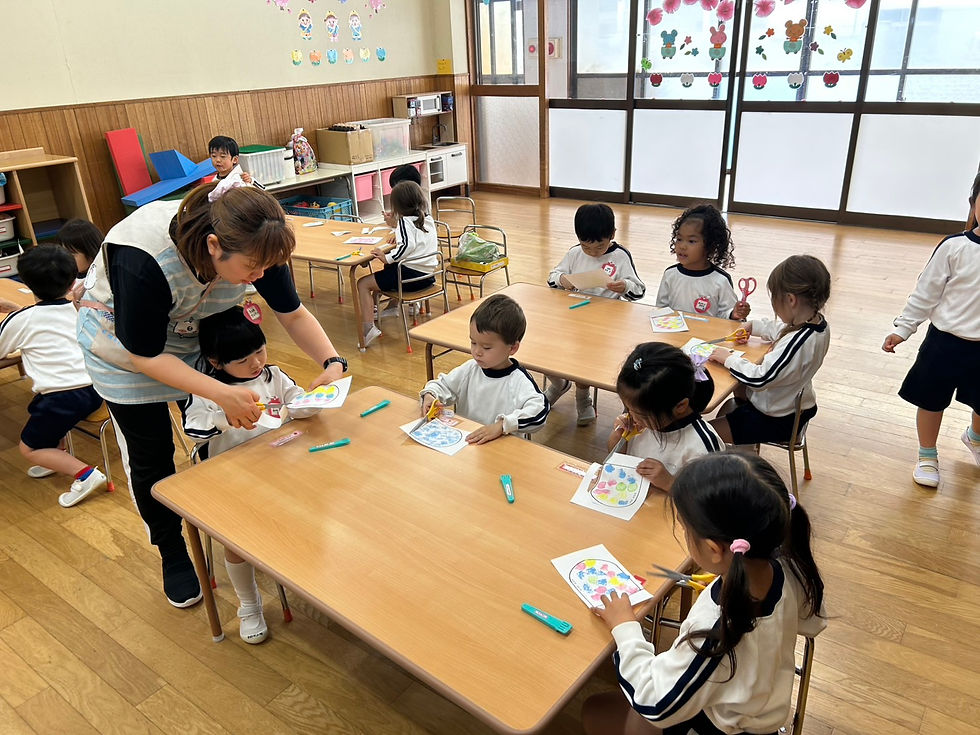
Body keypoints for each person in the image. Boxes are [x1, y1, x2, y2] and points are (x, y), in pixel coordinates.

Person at [77, 183, 349, 609]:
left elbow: (292, 313)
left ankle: (240, 522)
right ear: (213, 246)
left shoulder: (261, 243)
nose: (260, 276)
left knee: (226, 437)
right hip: (124, 349)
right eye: (252, 268)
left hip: (194, 339)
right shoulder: (143, 258)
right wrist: (222, 392)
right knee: (152, 457)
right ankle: (172, 550)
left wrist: (332, 361)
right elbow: (145, 356)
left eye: (266, 267)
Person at [583, 451, 826, 735]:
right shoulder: (789, 566)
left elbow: (654, 704)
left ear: (713, 549)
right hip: (757, 708)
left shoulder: (718, 627)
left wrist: (625, 627)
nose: (685, 536)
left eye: (686, 530)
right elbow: (813, 623)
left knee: (593, 711)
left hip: (722, 726)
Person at [182, 306, 317, 643]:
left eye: (260, 350)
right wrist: (223, 417)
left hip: (281, 465)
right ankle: (249, 603)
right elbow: (193, 429)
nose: (256, 363)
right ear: (216, 362)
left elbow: (296, 398)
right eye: (243, 360)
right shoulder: (207, 389)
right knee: (236, 542)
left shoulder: (273, 376)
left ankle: (302, 563)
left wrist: (310, 402)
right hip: (231, 477)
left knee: (316, 502)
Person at [882, 172, 980, 488]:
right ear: (973, 203)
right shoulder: (954, 248)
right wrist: (903, 328)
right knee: (931, 400)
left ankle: (975, 438)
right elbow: (926, 292)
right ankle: (927, 455)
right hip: (944, 343)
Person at [0, 245, 106, 505]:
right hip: (97, 389)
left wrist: (15, 314)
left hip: (64, 397)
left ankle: (85, 474)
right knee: (39, 407)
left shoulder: (22, 319)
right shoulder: (78, 308)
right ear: (71, 283)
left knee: (29, 448)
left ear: (26, 282)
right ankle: (55, 455)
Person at [709, 255, 831, 446]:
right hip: (788, 403)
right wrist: (754, 326)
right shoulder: (816, 324)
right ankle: (745, 446)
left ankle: (742, 454)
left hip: (777, 419)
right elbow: (785, 330)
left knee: (704, 434)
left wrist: (728, 358)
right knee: (737, 384)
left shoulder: (797, 343)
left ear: (790, 299)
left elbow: (760, 379)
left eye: (774, 298)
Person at [546, 203, 646, 425]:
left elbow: (639, 290)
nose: (592, 252)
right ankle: (570, 390)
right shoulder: (574, 253)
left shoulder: (620, 256)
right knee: (566, 353)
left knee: (593, 360)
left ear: (612, 235)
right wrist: (563, 279)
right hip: (575, 317)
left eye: (599, 246)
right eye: (586, 246)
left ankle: (591, 399)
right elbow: (553, 276)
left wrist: (625, 286)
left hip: (607, 323)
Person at [419, 294, 548, 444]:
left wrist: (502, 426)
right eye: (473, 343)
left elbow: (540, 411)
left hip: (502, 449)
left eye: (486, 347)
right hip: (466, 442)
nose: (477, 352)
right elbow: (444, 385)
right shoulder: (470, 369)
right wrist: (430, 395)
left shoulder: (519, 380)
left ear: (512, 348)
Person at [608, 343, 722, 494]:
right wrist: (619, 436)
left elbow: (711, 499)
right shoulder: (644, 423)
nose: (632, 417)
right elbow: (615, 459)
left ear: (680, 406)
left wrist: (670, 483)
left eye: (640, 415)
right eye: (629, 409)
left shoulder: (702, 446)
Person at [357, 180, 438, 347]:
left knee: (363, 283)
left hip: (410, 278)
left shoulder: (404, 222)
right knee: (388, 270)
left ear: (397, 206)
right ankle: (390, 307)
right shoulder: (428, 218)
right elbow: (415, 241)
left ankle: (368, 329)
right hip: (428, 276)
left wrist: (386, 257)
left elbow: (408, 245)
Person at [656, 204, 749, 321]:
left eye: (691, 241)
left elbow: (727, 316)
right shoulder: (670, 274)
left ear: (710, 245)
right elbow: (660, 308)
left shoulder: (721, 280)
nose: (682, 246)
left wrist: (734, 314)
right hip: (674, 330)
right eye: (679, 239)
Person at [56, 218, 104, 302]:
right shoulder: (65, 276)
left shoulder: (101, 280)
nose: (65, 259)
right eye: (63, 253)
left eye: (72, 255)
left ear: (91, 253)